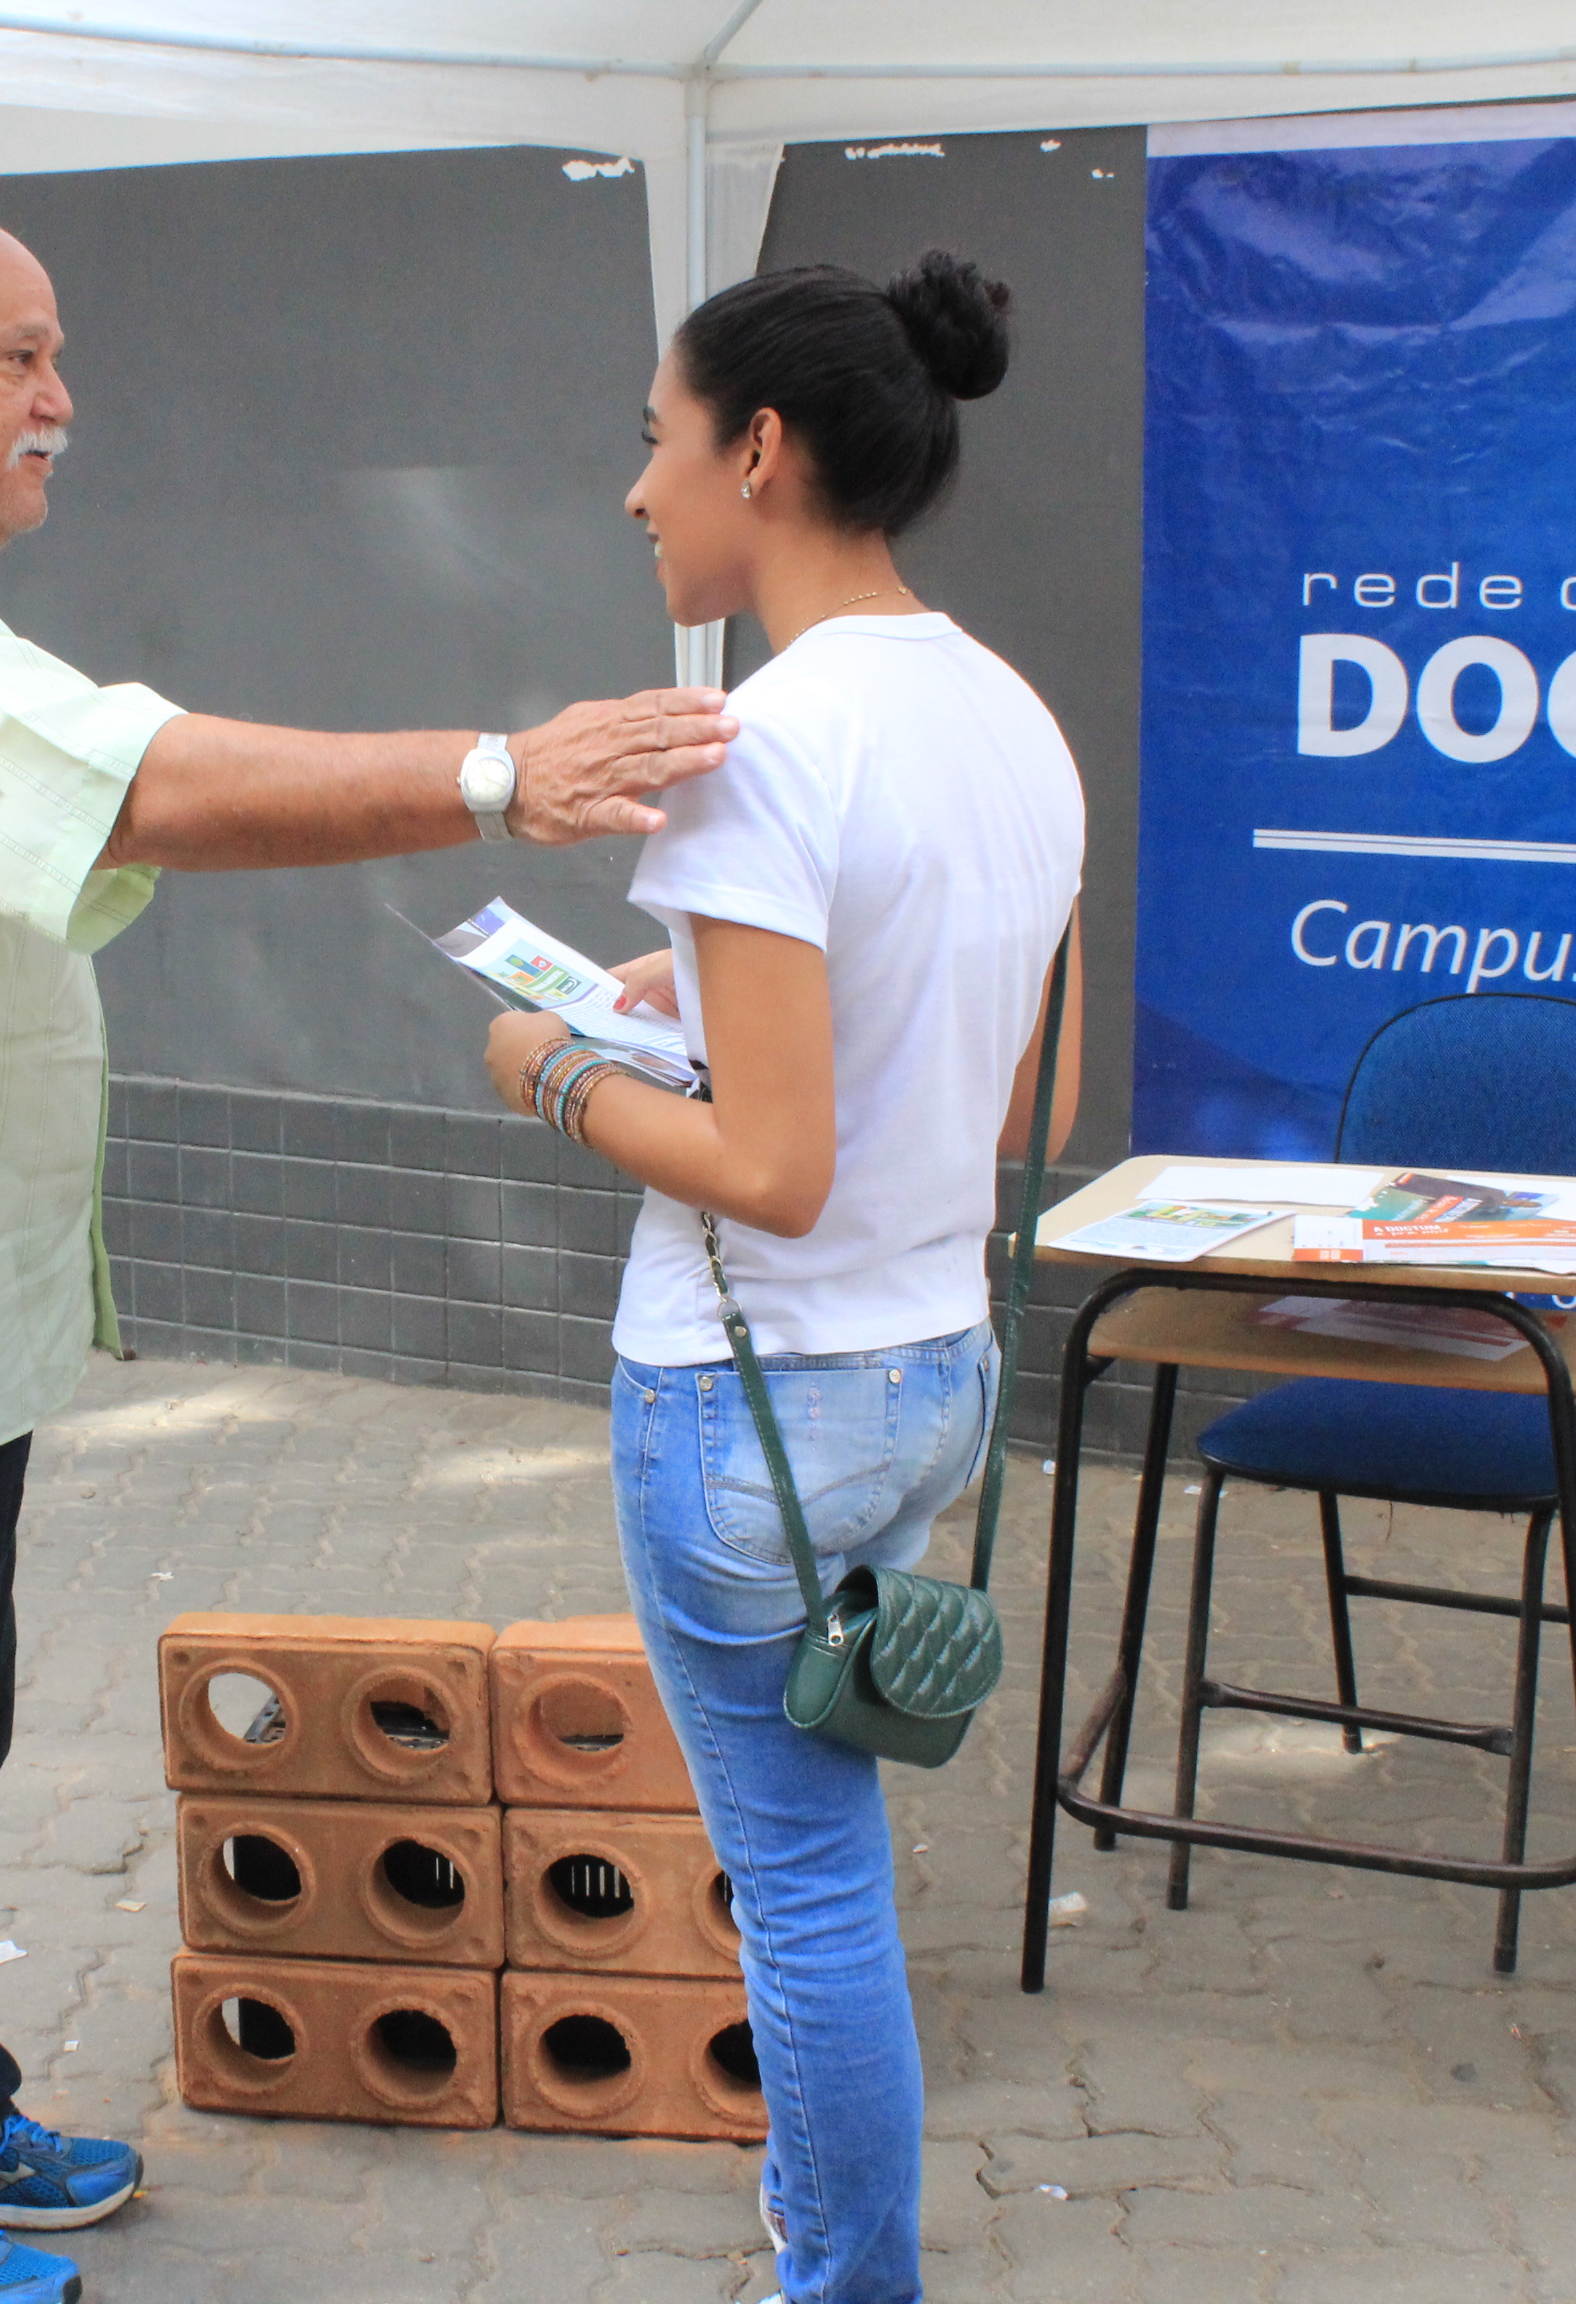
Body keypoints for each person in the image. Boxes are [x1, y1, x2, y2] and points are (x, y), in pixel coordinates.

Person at [0, 178, 736, 2304]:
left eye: (57, 358)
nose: (61, 401)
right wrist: (502, 768)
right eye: (14, 356)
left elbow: (96, 780)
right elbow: (148, 787)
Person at [475, 254, 1084, 2304]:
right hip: (932, 1382)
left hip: (753, 1405)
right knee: (831, 1859)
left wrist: (555, 1065)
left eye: (659, 439)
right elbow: (1018, 1099)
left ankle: (850, 2280)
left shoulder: (750, 741)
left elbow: (772, 1170)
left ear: (760, 449)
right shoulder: (1012, 716)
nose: (638, 491)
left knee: (805, 1895)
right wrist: (718, 1005)